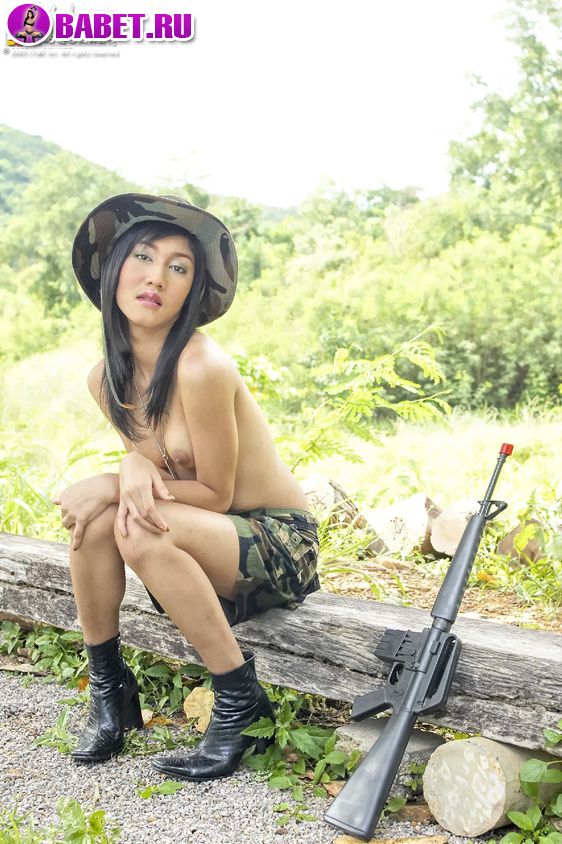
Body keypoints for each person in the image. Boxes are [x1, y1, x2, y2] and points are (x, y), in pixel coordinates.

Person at [52, 193, 320, 781]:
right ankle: (110, 689)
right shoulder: (106, 380)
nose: (156, 277)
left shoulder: (202, 368)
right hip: (207, 537)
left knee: (136, 524)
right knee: (97, 523)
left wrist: (114, 478)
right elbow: (156, 471)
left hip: (276, 541)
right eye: (143, 257)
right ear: (114, 268)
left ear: (191, 291)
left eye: (179, 267)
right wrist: (127, 471)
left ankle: (239, 699)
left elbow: (215, 495)